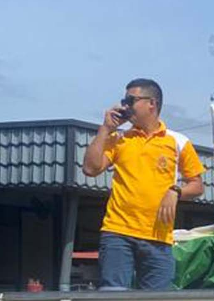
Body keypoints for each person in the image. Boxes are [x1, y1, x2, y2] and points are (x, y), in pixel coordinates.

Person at [82, 79, 205, 290]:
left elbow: (197, 185)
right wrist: (105, 129)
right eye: (124, 101)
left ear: (152, 103)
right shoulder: (119, 139)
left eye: (131, 100)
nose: (125, 106)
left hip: (159, 237)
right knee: (113, 297)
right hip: (118, 233)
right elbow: (90, 169)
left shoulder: (178, 141)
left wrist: (175, 191)